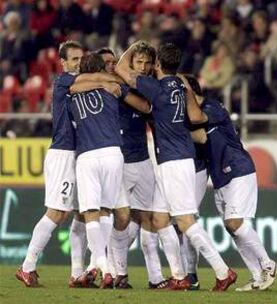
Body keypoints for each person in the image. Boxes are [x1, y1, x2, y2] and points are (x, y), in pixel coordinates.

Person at [115, 42, 237, 291]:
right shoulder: (181, 87)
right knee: (160, 219)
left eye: (152, 63)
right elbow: (195, 117)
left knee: (185, 221)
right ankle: (179, 276)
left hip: (175, 160)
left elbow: (120, 68)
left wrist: (134, 47)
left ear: (158, 64)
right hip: (172, 159)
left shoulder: (156, 88)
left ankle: (223, 272)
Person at [15, 41, 120, 287]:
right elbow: (85, 85)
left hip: (82, 154)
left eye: (80, 58)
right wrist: (106, 81)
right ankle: (27, 265)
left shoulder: (83, 80)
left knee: (83, 214)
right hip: (63, 152)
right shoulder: (64, 81)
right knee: (58, 211)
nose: (77, 63)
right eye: (73, 59)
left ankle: (77, 273)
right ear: (63, 62)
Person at [182, 74, 277, 292]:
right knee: (231, 227)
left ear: (191, 92)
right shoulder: (193, 115)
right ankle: (257, 276)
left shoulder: (213, 107)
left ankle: (268, 264)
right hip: (220, 177)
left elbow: (200, 132)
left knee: (235, 222)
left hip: (238, 169)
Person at [70, 53, 150, 289]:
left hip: (88, 155)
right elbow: (144, 106)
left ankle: (104, 268)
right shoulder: (113, 86)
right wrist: (108, 82)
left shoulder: (73, 87)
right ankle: (97, 266)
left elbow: (76, 86)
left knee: (91, 213)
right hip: (114, 154)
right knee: (105, 211)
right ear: (100, 69)